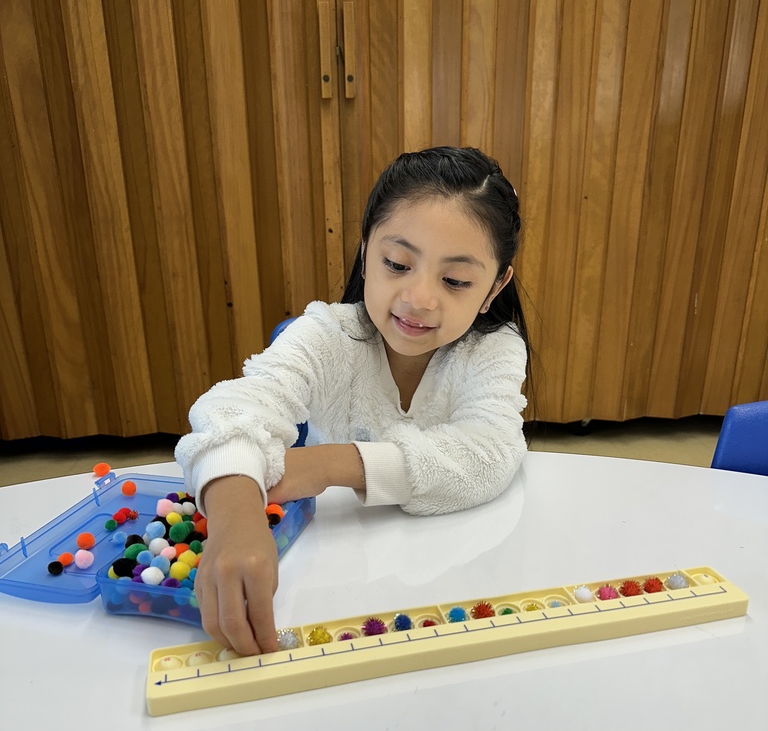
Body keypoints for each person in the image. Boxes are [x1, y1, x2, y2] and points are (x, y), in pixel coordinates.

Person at [175, 146, 533, 656]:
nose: (419, 299)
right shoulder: (326, 336)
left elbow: (492, 452)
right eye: (397, 263)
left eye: (455, 281)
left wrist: (328, 464)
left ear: (496, 285)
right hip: (331, 581)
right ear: (367, 253)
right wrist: (234, 517)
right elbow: (236, 408)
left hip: (452, 591)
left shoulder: (493, 349)